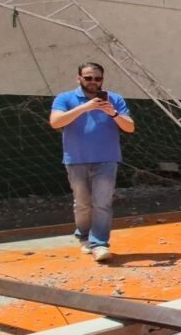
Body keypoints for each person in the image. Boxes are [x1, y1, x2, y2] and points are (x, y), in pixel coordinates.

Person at [49, 62, 135, 263]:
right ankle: (84, 236)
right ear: (78, 78)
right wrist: (84, 108)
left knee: (102, 202)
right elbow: (55, 122)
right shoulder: (65, 98)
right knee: (82, 204)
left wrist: (112, 113)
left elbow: (130, 127)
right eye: (88, 78)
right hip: (76, 159)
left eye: (97, 78)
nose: (93, 82)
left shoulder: (114, 99)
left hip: (107, 158)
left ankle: (100, 244)